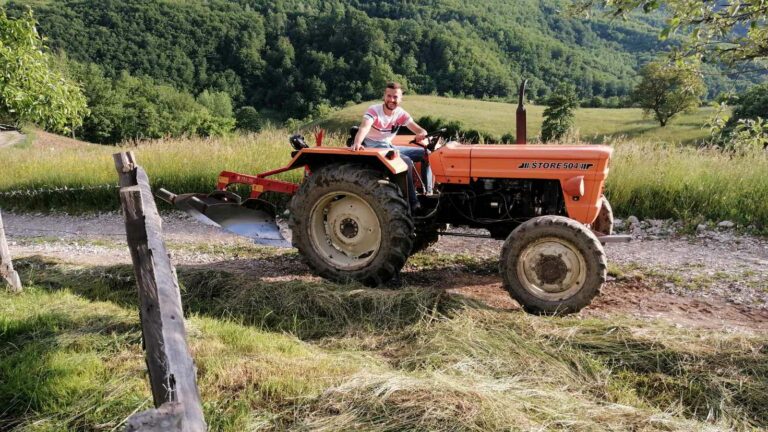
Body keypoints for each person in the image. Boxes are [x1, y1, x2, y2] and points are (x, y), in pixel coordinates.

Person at [350, 82, 432, 210]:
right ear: (384, 96)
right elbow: (364, 127)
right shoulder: (374, 111)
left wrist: (422, 134)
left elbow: (419, 129)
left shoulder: (400, 114)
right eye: (389, 96)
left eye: (395, 97)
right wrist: (357, 143)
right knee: (406, 161)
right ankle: (413, 202)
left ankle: (429, 193)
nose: (391, 100)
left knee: (427, 154)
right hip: (375, 148)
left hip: (389, 146)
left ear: (401, 99)